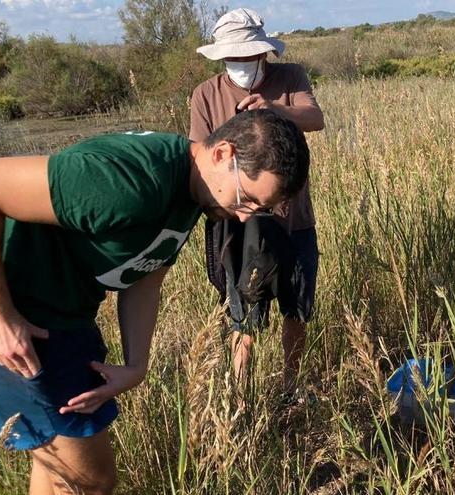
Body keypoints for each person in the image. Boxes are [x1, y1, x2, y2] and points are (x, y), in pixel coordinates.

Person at [0, 109, 309, 495]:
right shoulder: (127, 180)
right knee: (92, 481)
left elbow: (147, 274)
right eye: (247, 200)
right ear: (223, 153)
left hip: (62, 317)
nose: (243, 218)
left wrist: (137, 364)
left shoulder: (196, 192)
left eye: (259, 210)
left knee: (61, 469)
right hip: (5, 316)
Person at [190, 8, 324, 392]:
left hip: (293, 216)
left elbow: (315, 116)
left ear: (264, 52)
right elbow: (198, 152)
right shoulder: (206, 94)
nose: (242, 63)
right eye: (234, 56)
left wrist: (274, 109)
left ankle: (290, 386)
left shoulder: (289, 77)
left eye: (249, 54)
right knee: (243, 314)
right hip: (238, 221)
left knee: (297, 305)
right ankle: (239, 394)